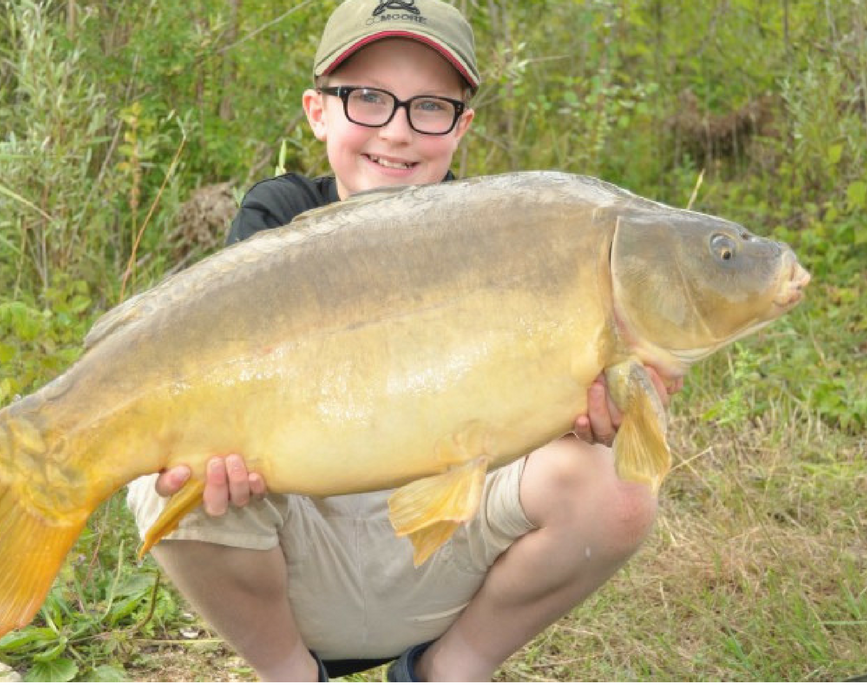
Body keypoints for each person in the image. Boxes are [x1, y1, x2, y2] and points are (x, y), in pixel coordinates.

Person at [127, 0, 681, 682]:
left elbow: (533, 404)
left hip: (441, 554)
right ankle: (295, 681)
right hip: (302, 550)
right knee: (164, 478)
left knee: (617, 480)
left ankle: (446, 674)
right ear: (317, 110)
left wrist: (596, 416)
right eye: (367, 98)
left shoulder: (501, 234)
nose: (397, 131)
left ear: (461, 126)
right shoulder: (274, 221)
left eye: (428, 108)